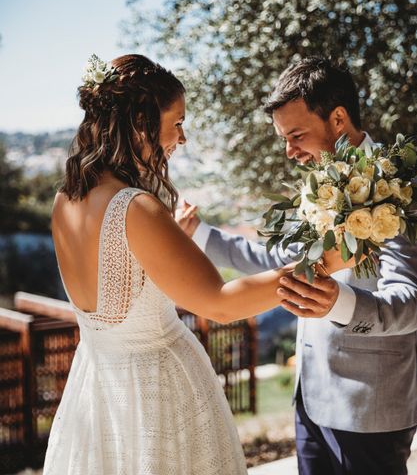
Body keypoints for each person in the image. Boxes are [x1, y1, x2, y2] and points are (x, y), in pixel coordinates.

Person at [44, 54, 345, 475]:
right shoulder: (137, 208)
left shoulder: (66, 200)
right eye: (178, 122)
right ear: (140, 122)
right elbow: (219, 303)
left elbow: (122, 282)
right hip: (157, 394)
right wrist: (322, 263)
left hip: (99, 387)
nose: (181, 139)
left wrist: (170, 238)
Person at [179, 56, 417, 475]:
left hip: (369, 405)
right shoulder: (317, 184)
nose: (289, 152)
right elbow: (281, 262)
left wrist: (338, 303)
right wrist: (201, 235)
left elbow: (412, 303)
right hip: (311, 401)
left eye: (296, 135)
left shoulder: (405, 190)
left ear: (338, 119)